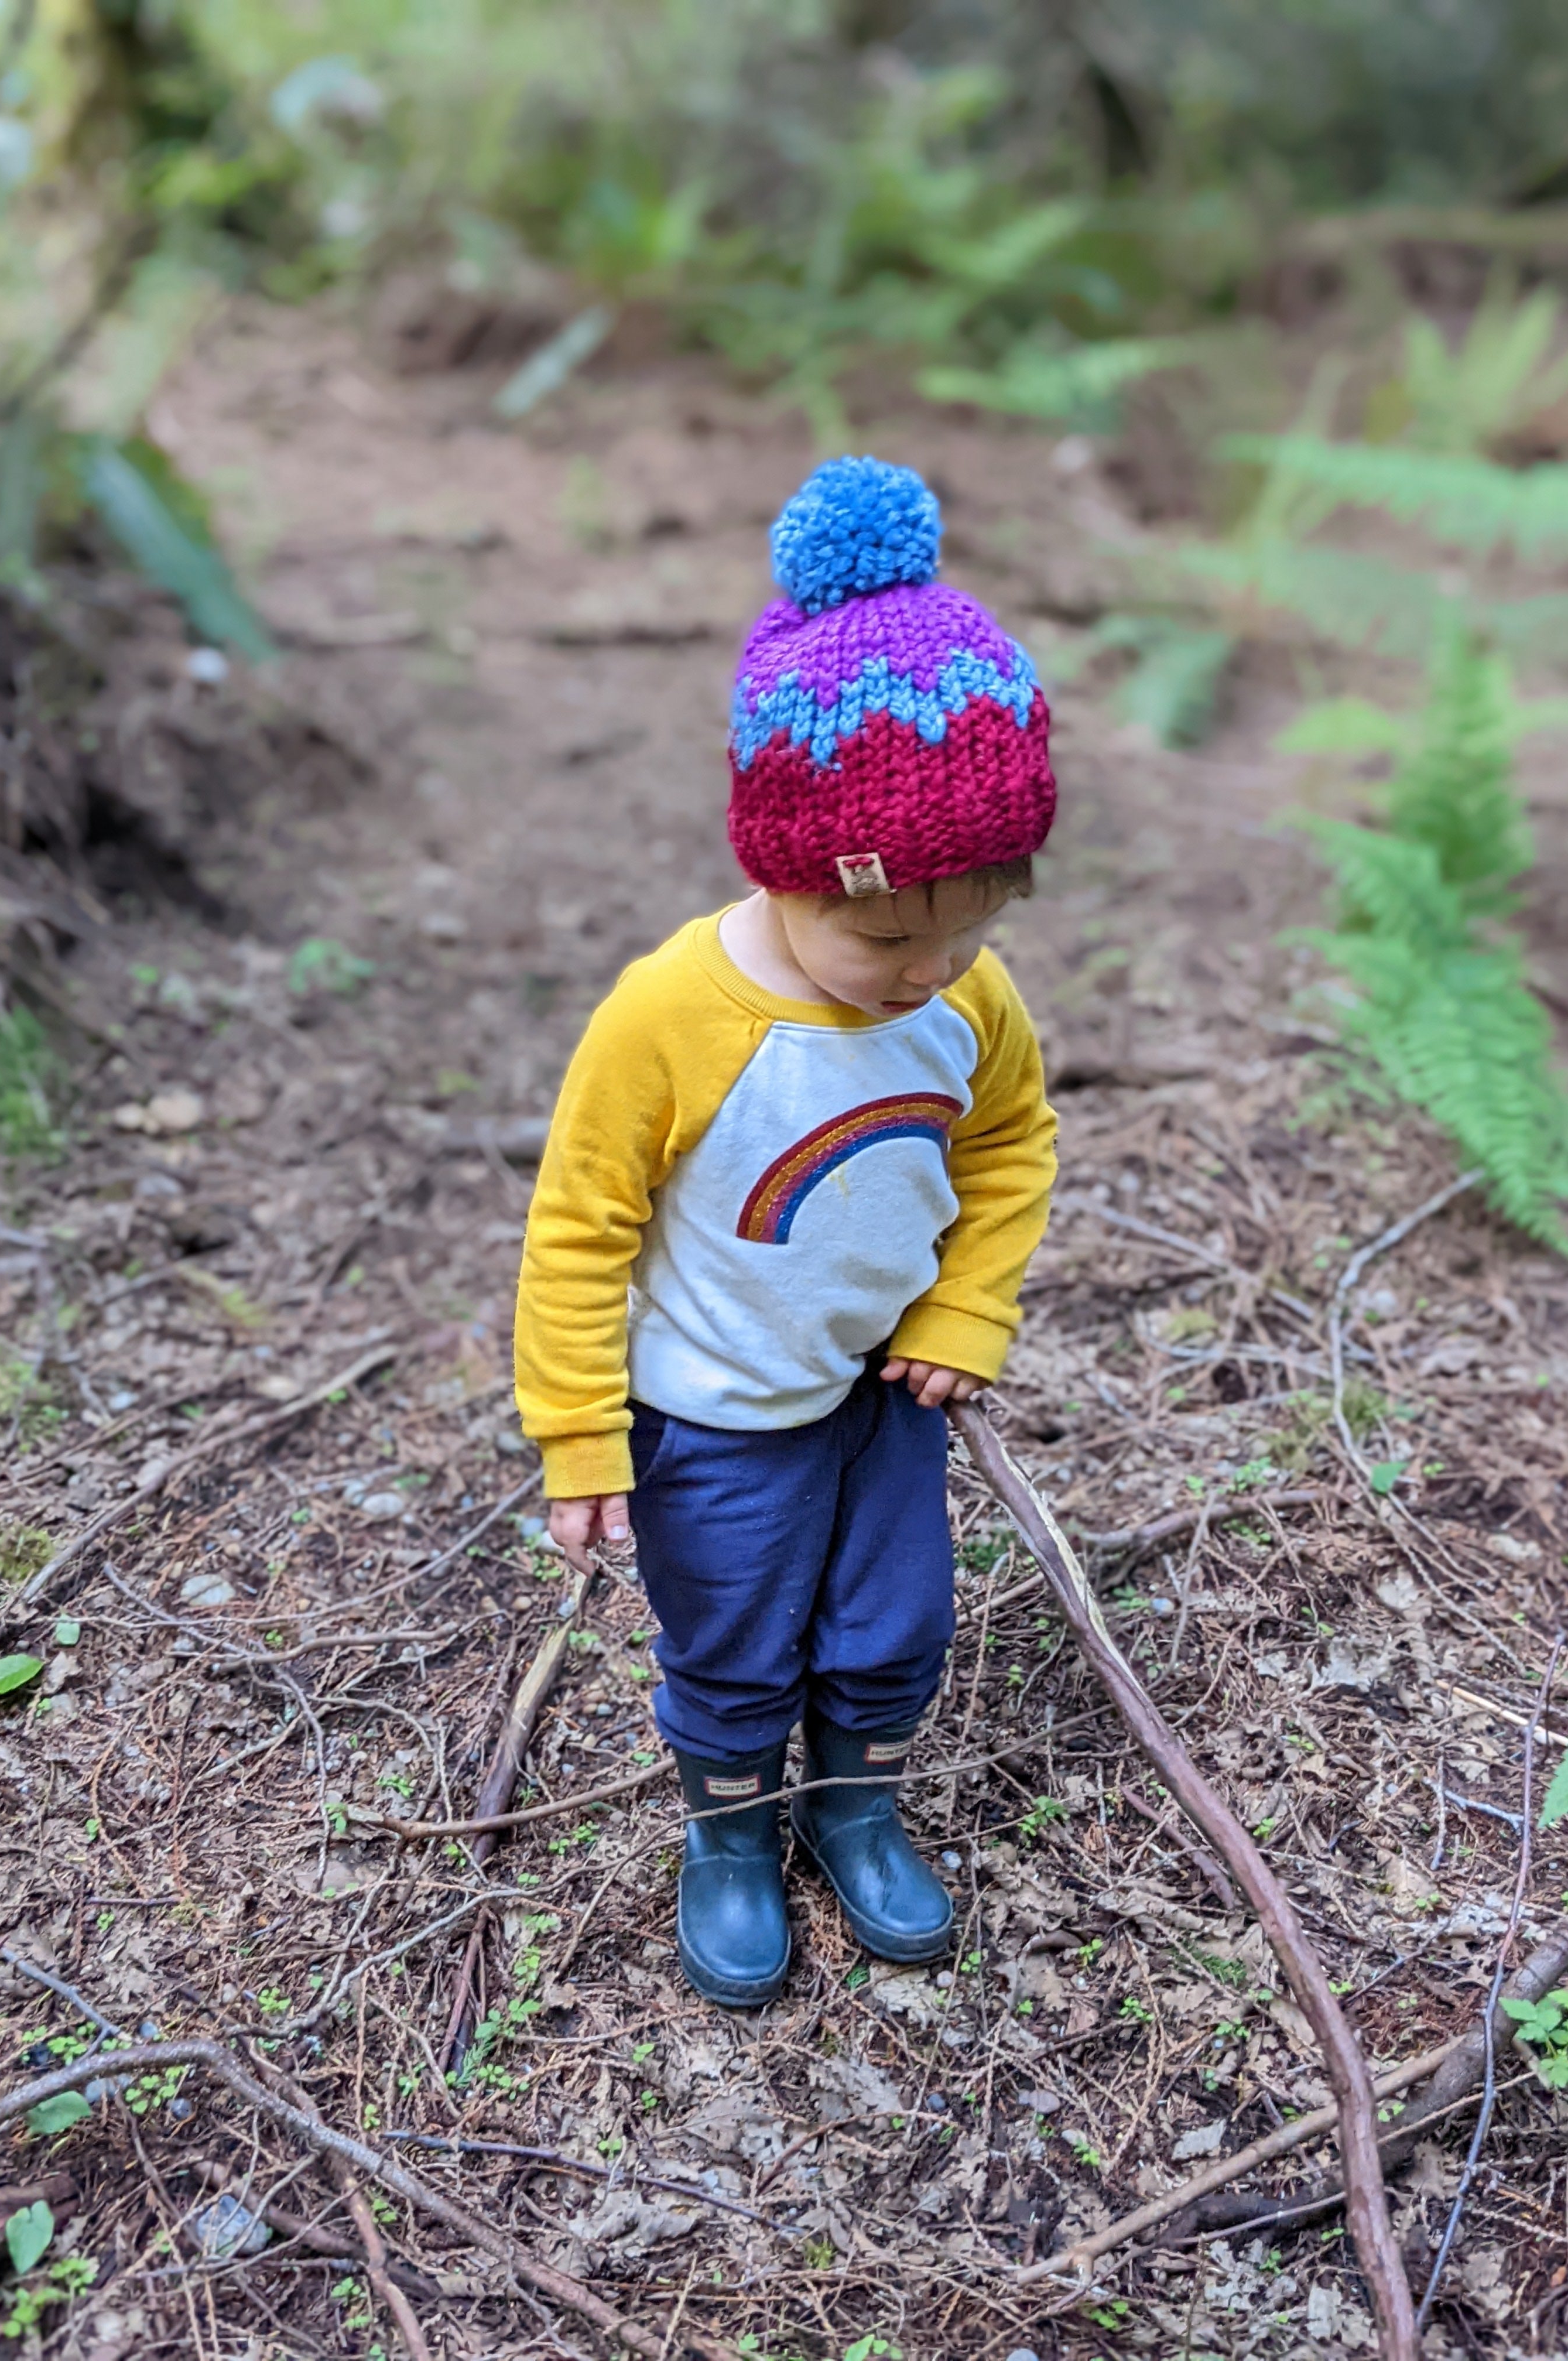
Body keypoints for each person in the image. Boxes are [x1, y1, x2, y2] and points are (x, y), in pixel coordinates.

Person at [515, 456, 1059, 2006]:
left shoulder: (967, 997)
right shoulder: (676, 1015)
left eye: (976, 927)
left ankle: (856, 1805)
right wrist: (579, 1435)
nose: (931, 970)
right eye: (889, 932)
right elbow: (578, 1229)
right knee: (737, 1640)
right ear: (782, 862)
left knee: (895, 1622)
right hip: (716, 1408)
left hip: (884, 1389)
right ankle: (734, 1833)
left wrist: (963, 1308)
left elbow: (1012, 1139)